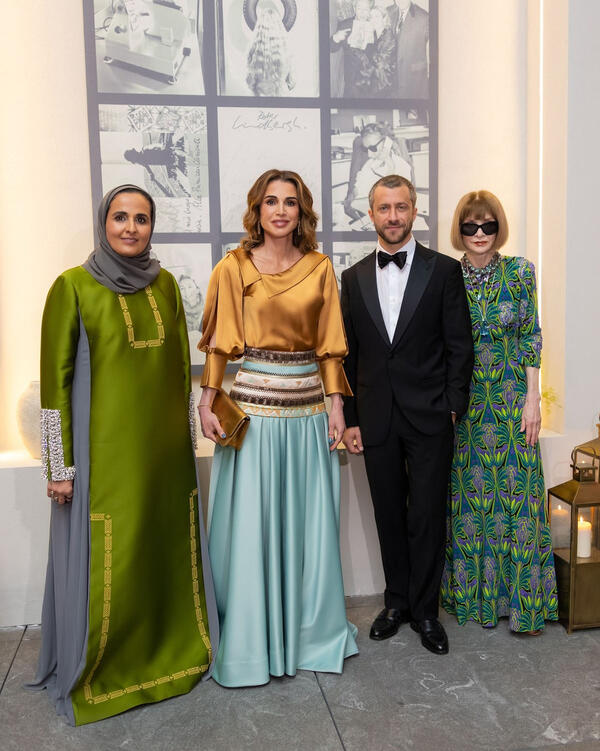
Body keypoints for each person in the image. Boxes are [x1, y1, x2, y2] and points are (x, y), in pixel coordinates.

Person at [28, 185, 218, 725]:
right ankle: (104, 670)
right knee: (116, 558)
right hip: (102, 462)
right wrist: (58, 466)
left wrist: (186, 445)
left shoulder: (165, 287)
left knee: (160, 554)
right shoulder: (72, 286)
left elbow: (179, 373)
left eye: (141, 218)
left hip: (164, 460)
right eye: (120, 217)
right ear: (103, 222)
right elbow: (54, 385)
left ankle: (170, 654)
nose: (130, 228)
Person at [197, 168, 358, 687]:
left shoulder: (320, 267)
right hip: (253, 417)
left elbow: (330, 346)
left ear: (302, 211)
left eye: (290, 202)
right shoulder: (233, 266)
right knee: (251, 527)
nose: (281, 210)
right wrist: (206, 401)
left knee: (309, 524)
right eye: (271, 201)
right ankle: (251, 640)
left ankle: (309, 635)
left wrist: (337, 407)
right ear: (257, 210)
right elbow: (219, 343)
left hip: (309, 415)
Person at [341, 174, 473, 655]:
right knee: (388, 513)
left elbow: (460, 345)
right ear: (371, 213)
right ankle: (395, 602)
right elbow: (349, 355)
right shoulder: (352, 277)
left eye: (401, 207)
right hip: (375, 416)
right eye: (384, 208)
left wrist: (453, 406)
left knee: (427, 514)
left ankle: (426, 611)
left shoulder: (444, 271)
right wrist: (351, 418)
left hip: (431, 415)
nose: (393, 216)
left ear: (415, 210)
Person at [441, 190, 558, 633]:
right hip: (465, 401)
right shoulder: (447, 276)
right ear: (460, 229)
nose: (479, 233)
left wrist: (534, 399)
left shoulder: (521, 271)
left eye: (487, 225)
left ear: (498, 227)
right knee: (472, 500)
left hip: (511, 400)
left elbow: (531, 336)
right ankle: (478, 599)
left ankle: (523, 602)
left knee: (519, 497)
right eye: (470, 226)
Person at [343, 123, 414, 225]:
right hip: (367, 215)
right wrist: (352, 195)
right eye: (365, 149)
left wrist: (390, 168)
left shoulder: (402, 166)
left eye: (373, 148)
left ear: (386, 143)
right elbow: (357, 189)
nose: (369, 154)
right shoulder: (369, 164)